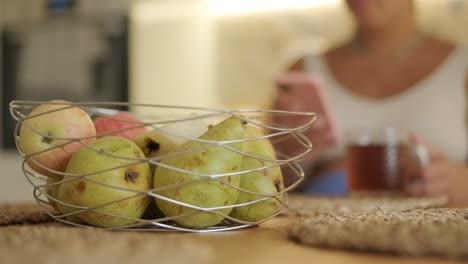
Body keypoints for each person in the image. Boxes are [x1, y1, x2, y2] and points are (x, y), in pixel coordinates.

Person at [274, 0, 468, 205]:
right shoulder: (303, 70)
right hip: (321, 229)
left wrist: (462, 183)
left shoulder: (461, 67)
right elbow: (269, 185)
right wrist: (288, 155)